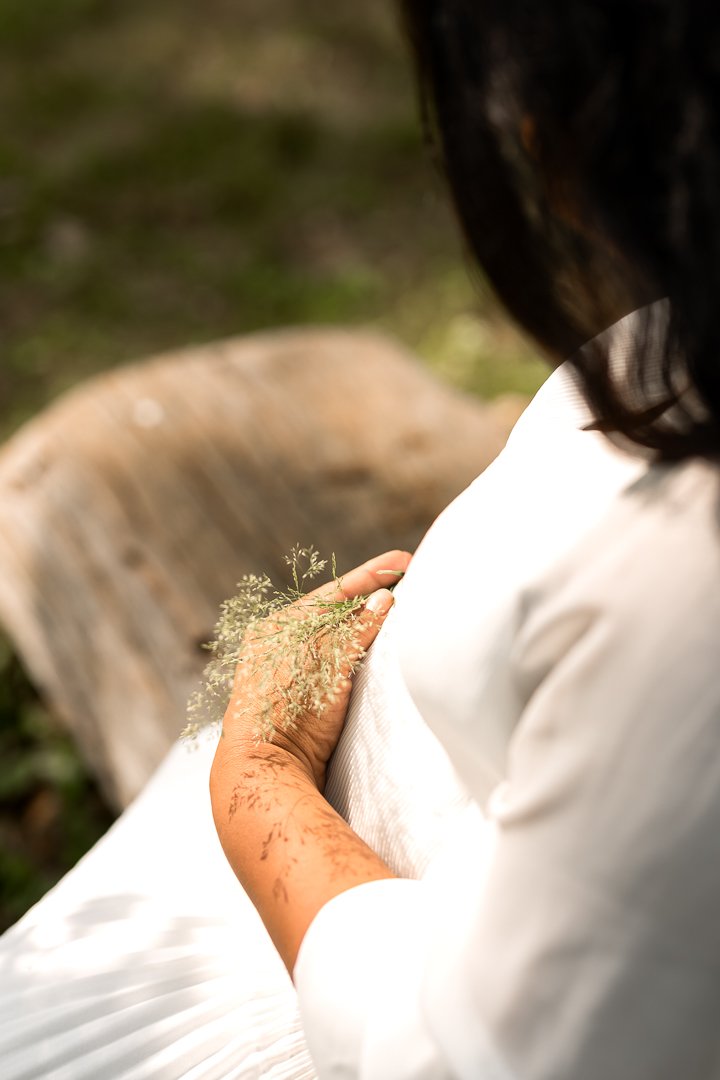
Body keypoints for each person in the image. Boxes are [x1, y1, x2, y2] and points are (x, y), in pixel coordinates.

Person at [3, 2, 720, 1078]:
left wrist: (261, 783)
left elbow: (471, 1054)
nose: (519, 136)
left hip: (338, 977)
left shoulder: (690, 602)